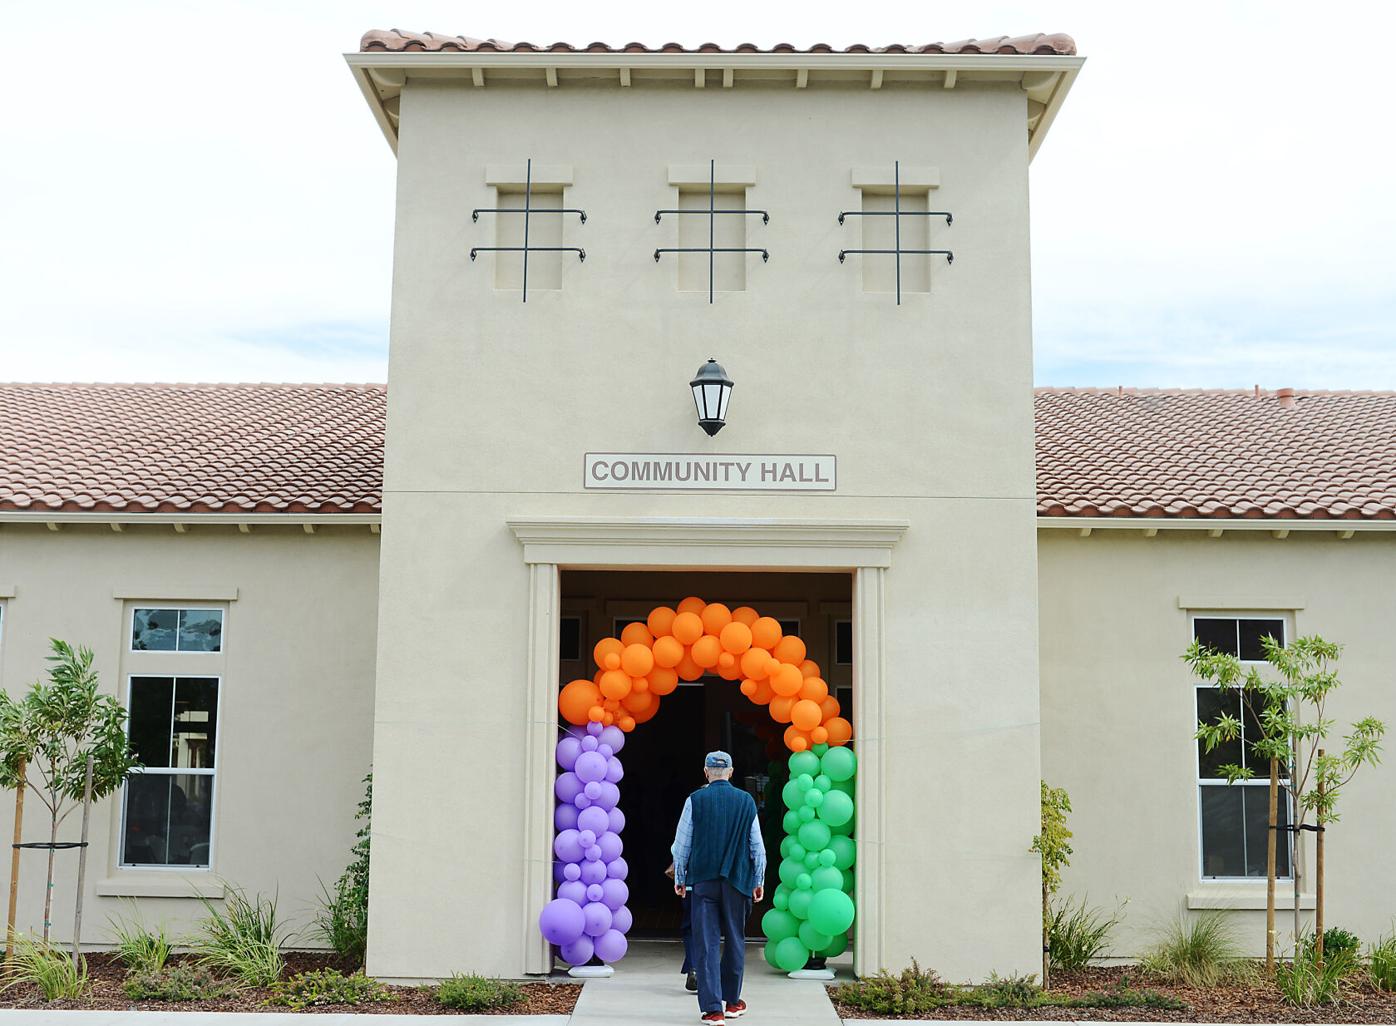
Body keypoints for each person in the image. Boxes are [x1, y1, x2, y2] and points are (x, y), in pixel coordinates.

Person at [671, 751, 766, 1025]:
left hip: (703, 881)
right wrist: (758, 881)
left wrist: (681, 878)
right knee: (736, 938)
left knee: (706, 943)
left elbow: (682, 844)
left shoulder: (695, 800)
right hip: (738, 882)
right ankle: (733, 1002)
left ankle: (713, 1009)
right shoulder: (746, 801)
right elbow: (757, 848)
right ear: (731, 772)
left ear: (706, 772)